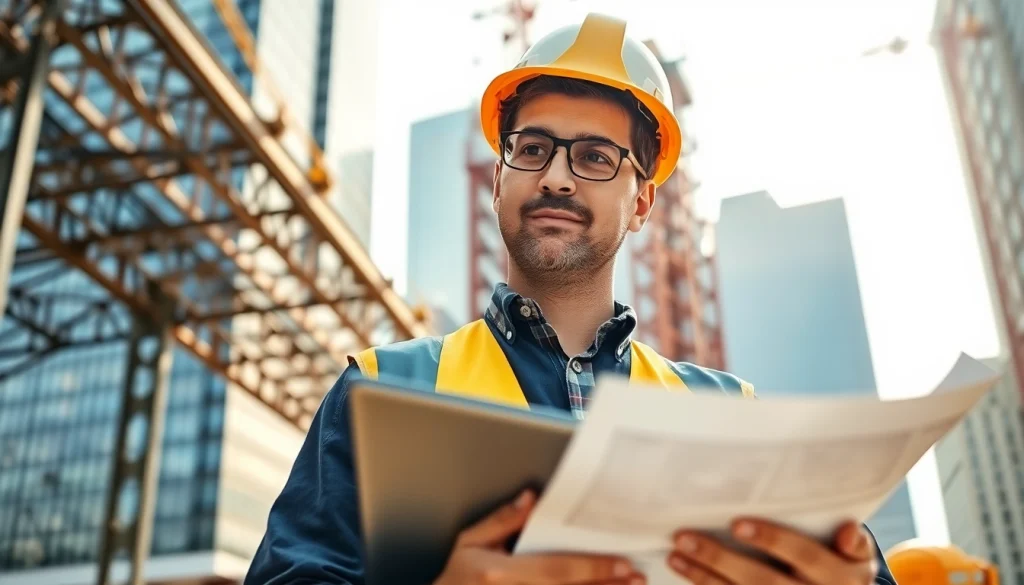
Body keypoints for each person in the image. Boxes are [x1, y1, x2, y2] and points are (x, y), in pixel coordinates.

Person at [245, 12, 897, 585]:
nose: (555, 176)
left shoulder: (729, 416)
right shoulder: (379, 392)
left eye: (593, 157)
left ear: (641, 201)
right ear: (498, 180)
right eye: (532, 149)